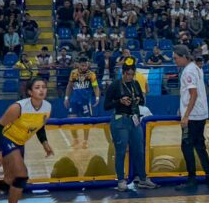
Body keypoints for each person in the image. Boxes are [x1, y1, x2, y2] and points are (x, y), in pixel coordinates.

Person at [105, 60, 157, 192]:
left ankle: (142, 178)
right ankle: (121, 180)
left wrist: (138, 99)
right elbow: (106, 105)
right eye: (128, 74)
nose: (130, 77)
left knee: (139, 150)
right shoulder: (115, 85)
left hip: (134, 120)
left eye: (132, 74)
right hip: (120, 120)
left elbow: (142, 100)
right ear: (123, 73)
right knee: (121, 152)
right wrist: (119, 101)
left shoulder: (135, 84)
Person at [174, 45, 209, 191]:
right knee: (200, 145)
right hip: (200, 113)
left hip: (193, 116)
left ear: (184, 57)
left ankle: (192, 179)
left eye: (176, 58)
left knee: (186, 146)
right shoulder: (197, 68)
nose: (175, 61)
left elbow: (193, 94)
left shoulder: (188, 71)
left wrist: (186, 115)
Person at [64, 55, 100, 149]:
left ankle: (85, 141)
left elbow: (96, 87)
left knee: (86, 121)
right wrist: (66, 98)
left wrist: (97, 98)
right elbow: (69, 86)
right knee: (70, 120)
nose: (84, 67)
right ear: (78, 65)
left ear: (88, 65)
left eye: (85, 65)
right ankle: (75, 139)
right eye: (82, 65)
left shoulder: (91, 74)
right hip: (74, 101)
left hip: (85, 101)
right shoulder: (73, 73)